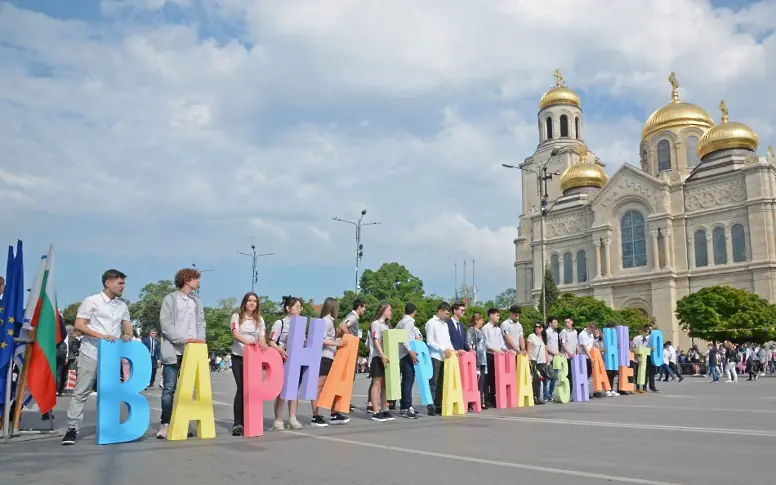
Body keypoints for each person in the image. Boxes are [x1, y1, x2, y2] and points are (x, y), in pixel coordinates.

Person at [62, 269, 133, 446]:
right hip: (91, 352)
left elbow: (127, 324)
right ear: (108, 283)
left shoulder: (122, 305)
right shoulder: (91, 301)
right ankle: (72, 428)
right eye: (120, 283)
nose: (123, 286)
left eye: (123, 283)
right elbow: (79, 325)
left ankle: (109, 427)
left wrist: (128, 333)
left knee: (109, 392)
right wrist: (100, 336)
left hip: (111, 355)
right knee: (82, 391)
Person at [156, 268, 206, 440]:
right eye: (196, 279)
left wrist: (200, 340)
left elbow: (201, 323)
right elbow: (165, 323)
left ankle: (182, 424)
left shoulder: (196, 302)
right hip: (173, 349)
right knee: (169, 387)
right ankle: (166, 423)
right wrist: (183, 340)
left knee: (187, 390)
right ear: (186, 280)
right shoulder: (170, 299)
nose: (198, 282)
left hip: (191, 352)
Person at [230, 292, 267, 436]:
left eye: (255, 301)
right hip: (239, 356)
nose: (252, 303)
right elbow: (236, 334)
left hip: (254, 359)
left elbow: (262, 337)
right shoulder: (236, 317)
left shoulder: (260, 320)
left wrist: (262, 343)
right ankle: (237, 423)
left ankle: (251, 421)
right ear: (244, 302)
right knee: (241, 388)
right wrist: (248, 343)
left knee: (252, 390)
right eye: (249, 300)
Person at [311, 297, 348, 427]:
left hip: (329, 356)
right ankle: (315, 416)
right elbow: (319, 338)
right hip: (324, 356)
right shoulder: (326, 321)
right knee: (319, 386)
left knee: (329, 386)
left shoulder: (329, 321)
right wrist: (335, 342)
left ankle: (332, 413)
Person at [269, 296, 303, 431]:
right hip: (282, 359)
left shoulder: (301, 323)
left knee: (294, 390)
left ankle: (293, 418)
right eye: (296, 307)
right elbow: (271, 341)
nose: (299, 309)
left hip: (296, 359)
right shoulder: (280, 323)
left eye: (300, 307)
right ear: (288, 308)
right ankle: (278, 419)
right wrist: (280, 349)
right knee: (281, 390)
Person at [425, 302, 454, 416]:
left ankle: (438, 404)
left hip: (445, 356)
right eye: (446, 313)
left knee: (442, 382)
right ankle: (430, 405)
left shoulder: (445, 324)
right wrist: (442, 349)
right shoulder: (431, 323)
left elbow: (447, 341)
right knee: (433, 381)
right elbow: (430, 342)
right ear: (440, 311)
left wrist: (452, 350)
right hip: (435, 356)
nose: (447, 315)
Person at [395, 303, 423, 418]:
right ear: (414, 311)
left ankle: (403, 406)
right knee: (409, 380)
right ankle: (407, 407)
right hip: (407, 353)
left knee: (406, 380)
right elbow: (405, 338)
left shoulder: (401, 321)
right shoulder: (409, 322)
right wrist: (410, 350)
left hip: (401, 353)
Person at [368, 302, 394, 422]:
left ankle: (385, 408)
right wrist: (382, 354)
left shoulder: (387, 325)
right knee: (377, 383)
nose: (390, 312)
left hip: (387, 357)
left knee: (385, 384)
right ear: (383, 310)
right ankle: (375, 410)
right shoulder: (376, 324)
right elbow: (375, 339)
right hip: (378, 356)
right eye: (389, 310)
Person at [466, 312, 488, 410]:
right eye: (481, 319)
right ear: (476, 320)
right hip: (475, 358)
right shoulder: (471, 330)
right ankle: (471, 402)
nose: (482, 321)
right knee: (474, 380)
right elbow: (469, 342)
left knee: (481, 381)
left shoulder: (482, 331)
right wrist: (471, 351)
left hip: (483, 358)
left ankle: (480, 400)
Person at [526, 323, 549, 404]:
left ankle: (539, 396)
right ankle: (535, 396)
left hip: (542, 361)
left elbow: (545, 350)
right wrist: (528, 359)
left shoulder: (543, 338)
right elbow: (528, 348)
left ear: (542, 328)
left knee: (540, 380)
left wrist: (548, 360)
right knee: (535, 380)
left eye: (539, 327)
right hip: (534, 361)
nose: (537, 328)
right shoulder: (531, 336)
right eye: (536, 327)